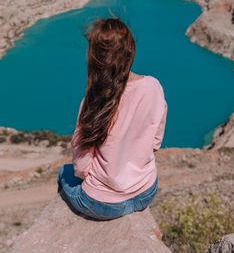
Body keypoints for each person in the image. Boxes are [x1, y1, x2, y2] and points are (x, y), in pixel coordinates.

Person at [57, 17, 168, 221]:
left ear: (94, 58)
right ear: (130, 50)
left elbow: (81, 168)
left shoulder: (94, 101)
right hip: (146, 191)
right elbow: (155, 142)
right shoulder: (153, 86)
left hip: (102, 204)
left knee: (63, 172)